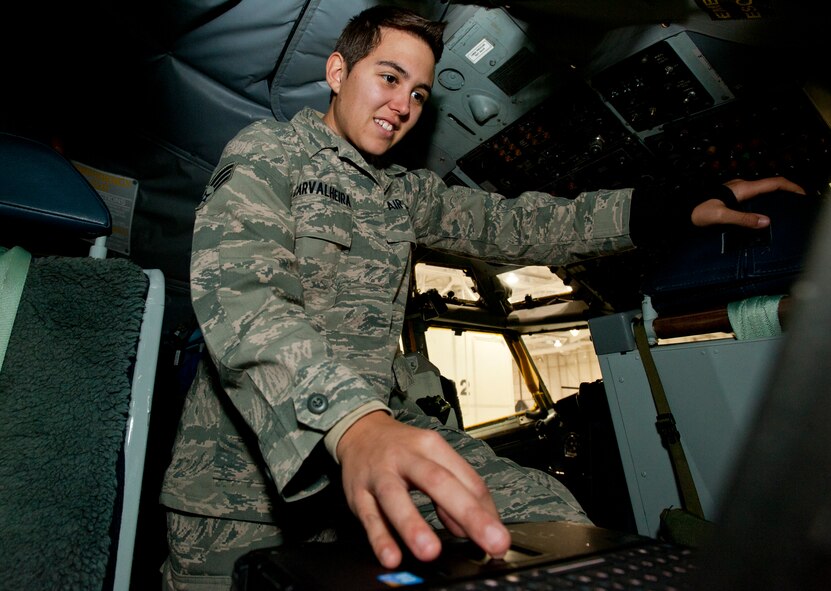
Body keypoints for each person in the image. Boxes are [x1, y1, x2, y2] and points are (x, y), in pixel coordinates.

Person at [160, 5, 805, 589]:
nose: (403, 105)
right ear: (337, 72)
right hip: (241, 492)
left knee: (547, 521)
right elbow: (245, 296)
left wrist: (668, 207)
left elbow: (521, 225)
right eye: (389, 78)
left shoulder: (403, 194)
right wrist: (352, 424)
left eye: (418, 93)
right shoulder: (272, 151)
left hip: (378, 451)